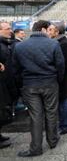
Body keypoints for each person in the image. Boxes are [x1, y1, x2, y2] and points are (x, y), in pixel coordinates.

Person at [13, 20, 65, 157]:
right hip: (50, 83)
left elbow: (15, 68)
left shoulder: (20, 46)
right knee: (51, 112)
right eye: (48, 29)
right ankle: (52, 140)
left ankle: (36, 148)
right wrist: (57, 80)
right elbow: (60, 65)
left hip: (29, 85)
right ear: (43, 29)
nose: (50, 32)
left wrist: (21, 83)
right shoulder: (53, 44)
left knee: (35, 116)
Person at [49, 23, 67, 135]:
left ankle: (65, 126)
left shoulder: (62, 43)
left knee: (63, 101)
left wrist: (60, 75)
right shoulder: (62, 41)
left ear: (57, 32)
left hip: (64, 78)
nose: (48, 32)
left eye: (50, 30)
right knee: (63, 101)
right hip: (65, 76)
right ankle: (64, 124)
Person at [0, 21, 16, 149]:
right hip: (1, 82)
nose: (10, 31)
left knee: (3, 109)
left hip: (6, 81)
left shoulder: (5, 43)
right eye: (7, 28)